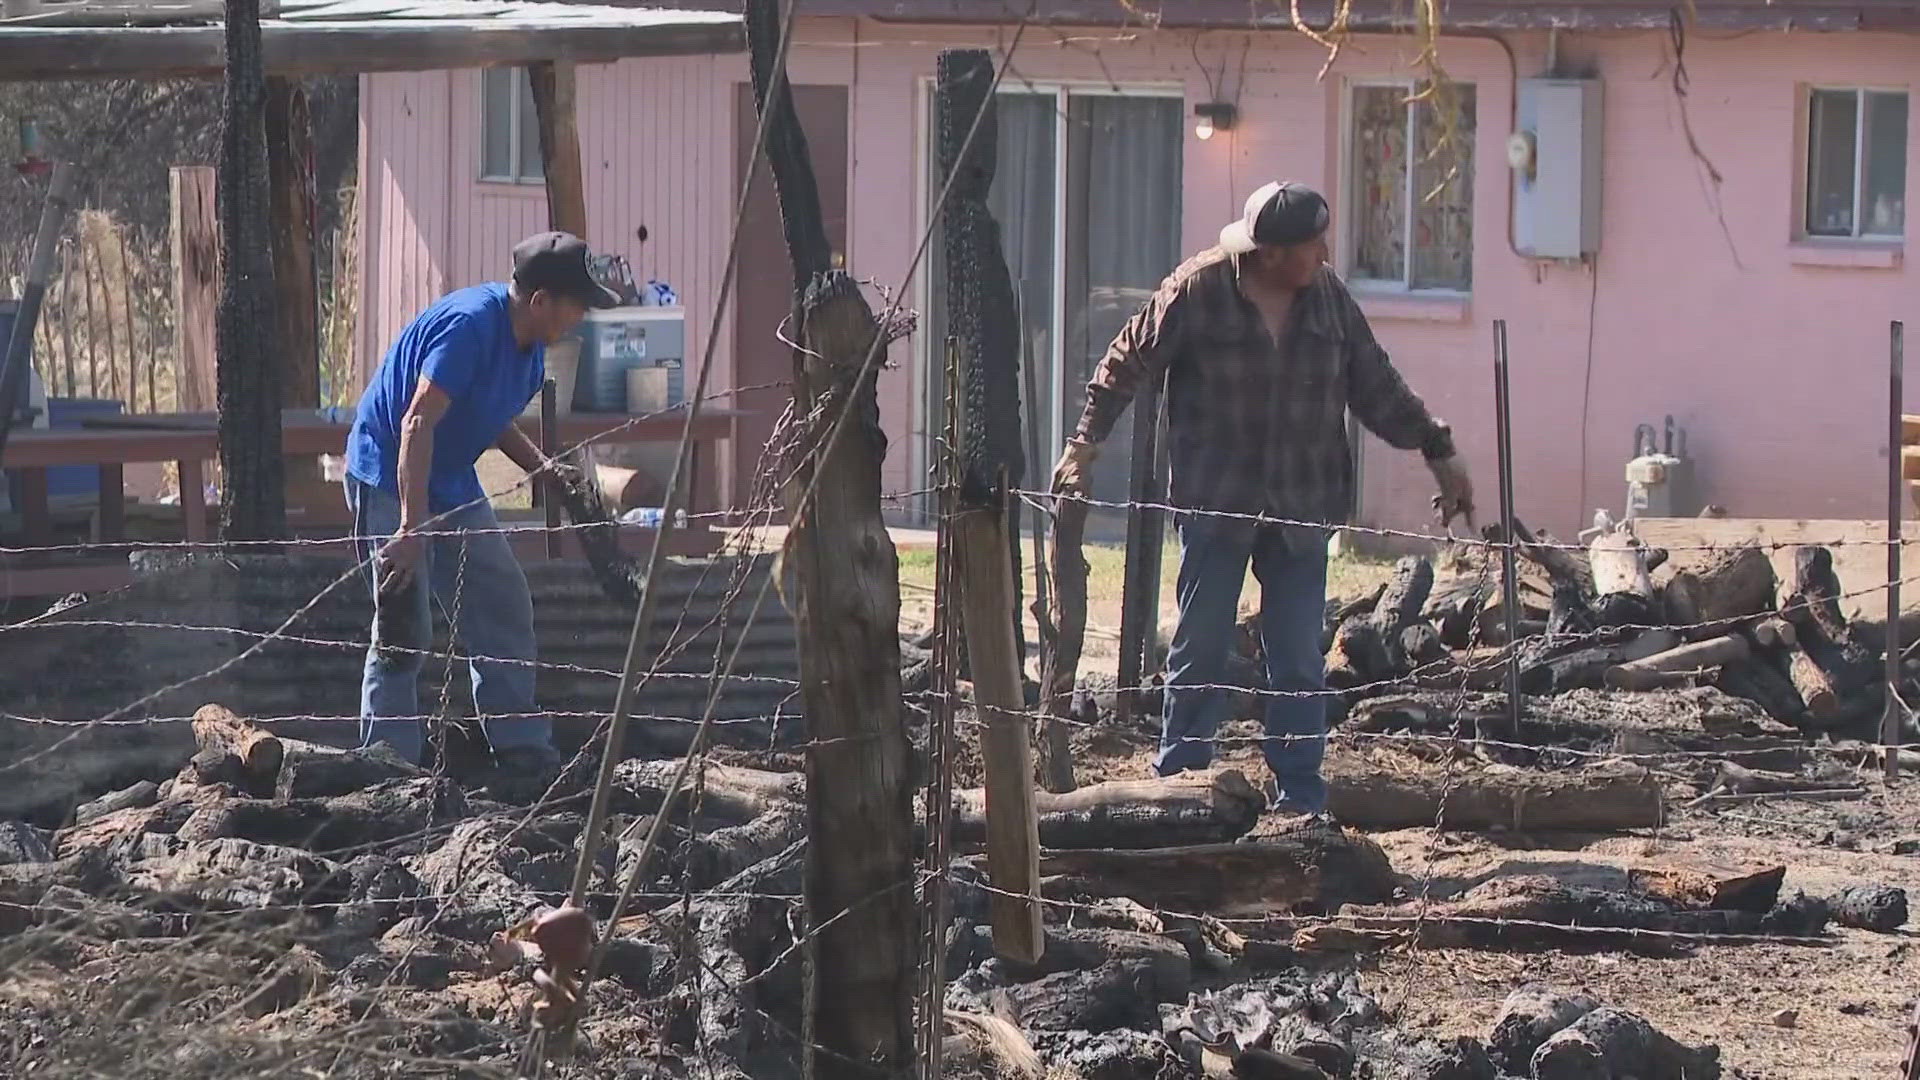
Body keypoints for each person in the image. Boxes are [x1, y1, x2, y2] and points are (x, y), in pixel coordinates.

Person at [1051, 181, 1473, 814]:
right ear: (1271, 253)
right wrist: (1084, 448)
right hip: (1219, 502)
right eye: (1312, 244)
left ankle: (1300, 803)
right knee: (1199, 651)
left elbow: (1378, 386)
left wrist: (1438, 451)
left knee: (1300, 660)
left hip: (1303, 503)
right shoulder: (1198, 290)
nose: (1326, 254)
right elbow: (1126, 361)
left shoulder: (1328, 301)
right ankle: (1178, 793)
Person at [345, 230, 619, 771]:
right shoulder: (469, 327)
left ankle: (520, 749)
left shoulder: (530, 348)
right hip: (389, 472)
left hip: (449, 475)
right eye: (577, 305)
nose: (581, 318)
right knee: (403, 627)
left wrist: (544, 470)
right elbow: (417, 421)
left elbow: (491, 417)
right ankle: (386, 768)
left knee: (503, 600)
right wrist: (409, 527)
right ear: (540, 301)